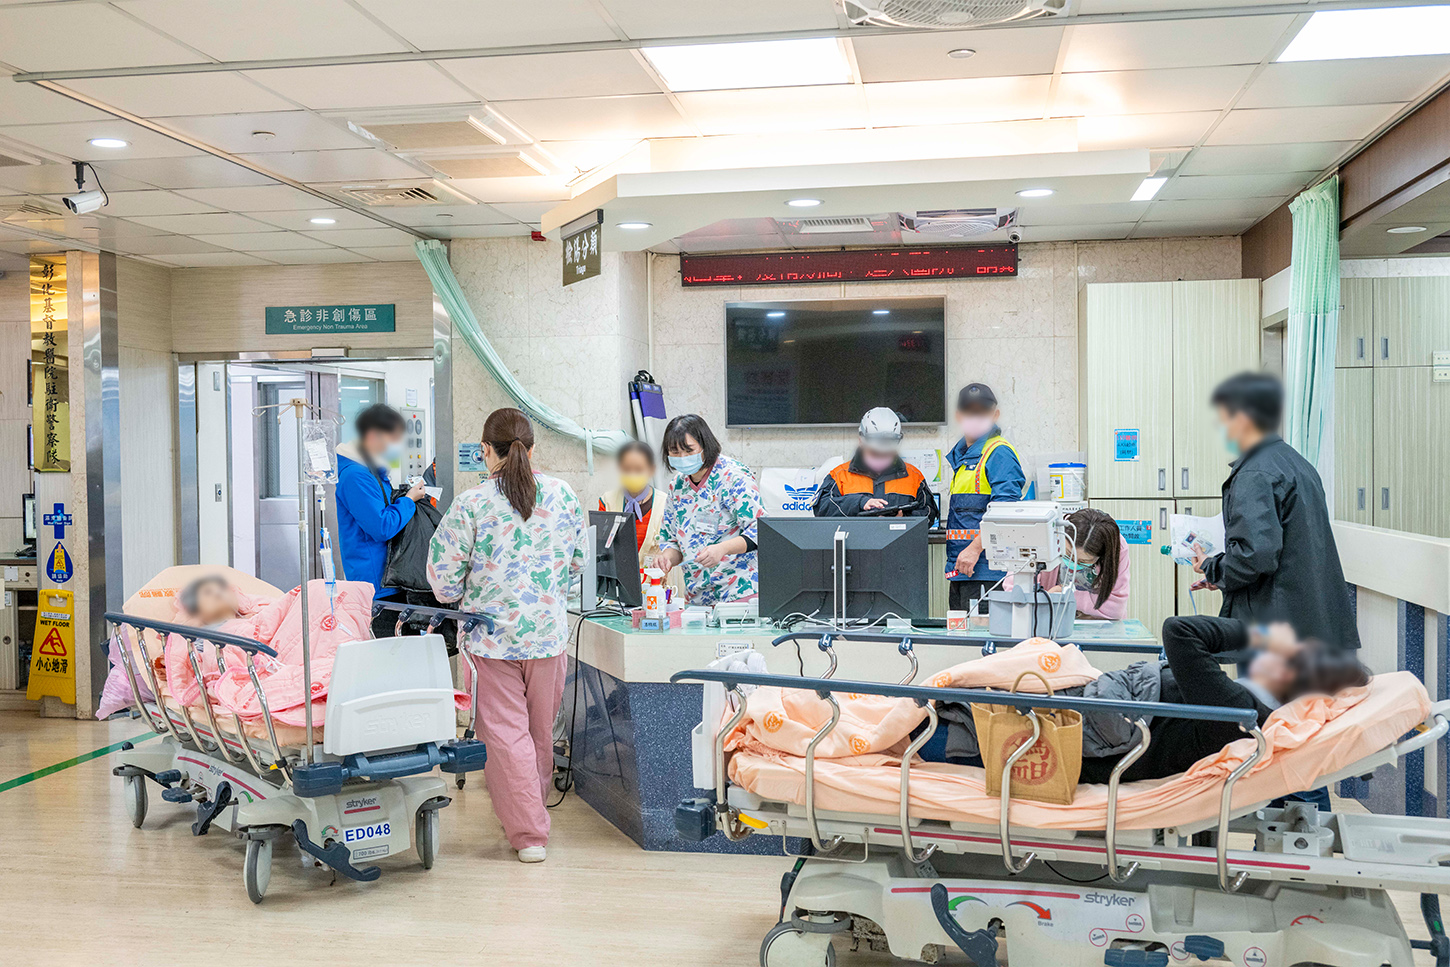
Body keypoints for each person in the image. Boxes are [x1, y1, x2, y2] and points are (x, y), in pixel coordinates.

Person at [427, 407, 587, 864]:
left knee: (506, 738)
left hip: (491, 641)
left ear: (485, 450)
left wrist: (470, 590)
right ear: (532, 450)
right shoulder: (563, 494)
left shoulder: (471, 505)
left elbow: (443, 583)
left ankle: (528, 831)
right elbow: (578, 563)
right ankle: (528, 813)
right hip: (548, 639)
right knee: (539, 734)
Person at [1078, 615, 1370, 783]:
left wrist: (1262, 635)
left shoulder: (1238, 711)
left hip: (1081, 736)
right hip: (1097, 711)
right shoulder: (1242, 705)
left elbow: (1179, 630)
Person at [1191, 372, 1360, 650]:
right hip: (1314, 623)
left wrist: (1212, 567)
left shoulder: (1255, 474)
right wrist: (1221, 577)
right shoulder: (1297, 464)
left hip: (1277, 630)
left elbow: (1255, 556)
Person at [650, 414, 764, 607]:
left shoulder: (733, 476)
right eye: (674, 452)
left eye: (689, 450)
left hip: (738, 594)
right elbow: (672, 541)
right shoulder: (677, 486)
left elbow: (759, 530)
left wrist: (723, 549)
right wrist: (666, 559)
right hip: (698, 598)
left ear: (705, 445)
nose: (682, 458)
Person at [335, 403, 427, 637]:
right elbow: (381, 526)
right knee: (392, 652)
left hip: (389, 581)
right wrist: (409, 500)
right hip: (376, 586)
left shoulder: (370, 470)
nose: (393, 447)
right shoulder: (355, 476)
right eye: (391, 439)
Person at [943, 383, 1025, 615]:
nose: (976, 418)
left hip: (987, 570)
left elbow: (1005, 511)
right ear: (959, 416)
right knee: (960, 632)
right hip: (963, 569)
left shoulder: (998, 452)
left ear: (995, 415)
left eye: (983, 412)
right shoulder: (964, 457)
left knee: (982, 634)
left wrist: (974, 549)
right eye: (970, 412)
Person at [813, 407, 938, 521]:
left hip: (899, 539)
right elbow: (821, 509)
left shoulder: (914, 477)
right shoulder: (840, 476)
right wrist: (860, 503)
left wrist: (904, 518)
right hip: (855, 539)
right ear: (861, 441)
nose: (881, 458)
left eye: (887, 453)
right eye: (874, 453)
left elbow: (929, 514)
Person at [1006, 508, 1130, 619]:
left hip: (1096, 623)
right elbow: (1014, 589)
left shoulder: (1115, 549)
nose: (1073, 564)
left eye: (1083, 561)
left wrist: (1065, 594)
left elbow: (1115, 608)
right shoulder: (1045, 533)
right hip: (1049, 618)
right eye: (1068, 554)